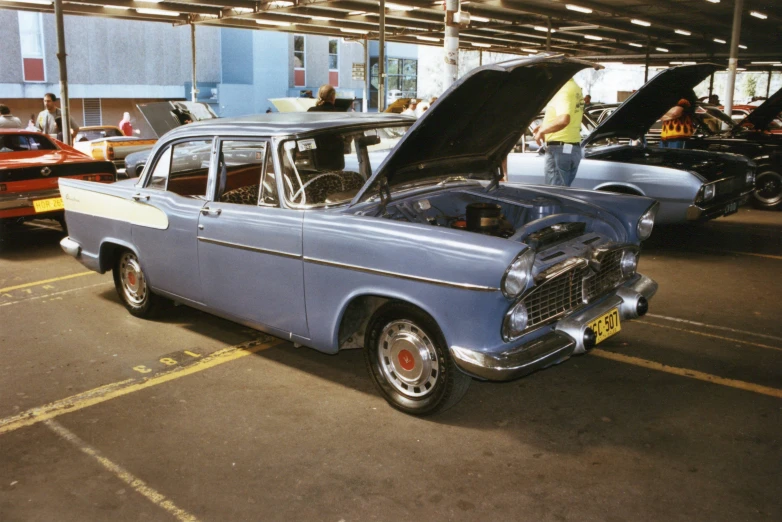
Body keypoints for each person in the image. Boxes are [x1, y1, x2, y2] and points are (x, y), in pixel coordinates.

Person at [532, 78, 585, 186]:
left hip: (559, 149)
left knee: (554, 195)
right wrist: (544, 126)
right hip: (571, 148)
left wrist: (542, 131)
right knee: (562, 192)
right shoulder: (575, 88)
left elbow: (564, 120)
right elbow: (567, 116)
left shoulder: (563, 90)